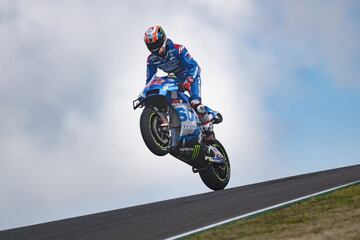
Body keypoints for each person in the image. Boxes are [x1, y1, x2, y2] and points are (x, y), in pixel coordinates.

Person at [144, 26, 216, 141]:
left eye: (156, 43)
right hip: (175, 79)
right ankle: (167, 123)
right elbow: (150, 80)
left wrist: (189, 80)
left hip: (190, 76)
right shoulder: (151, 59)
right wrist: (146, 94)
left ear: (162, 39)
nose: (154, 48)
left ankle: (209, 130)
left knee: (195, 103)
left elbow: (195, 66)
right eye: (151, 46)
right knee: (165, 96)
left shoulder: (178, 49)